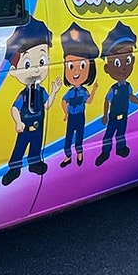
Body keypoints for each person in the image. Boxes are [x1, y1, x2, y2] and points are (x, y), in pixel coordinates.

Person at [2, 18, 61, 186]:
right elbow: (15, 108)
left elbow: (46, 105)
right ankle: (14, 168)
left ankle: (35, 163)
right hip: (25, 125)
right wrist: (18, 122)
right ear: (14, 71)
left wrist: (55, 92)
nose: (36, 68)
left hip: (38, 124)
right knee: (19, 147)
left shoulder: (41, 91)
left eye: (42, 61)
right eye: (27, 64)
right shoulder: (24, 94)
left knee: (36, 145)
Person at [96, 20, 138, 164]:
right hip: (113, 116)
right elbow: (107, 100)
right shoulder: (113, 89)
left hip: (124, 115)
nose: (123, 68)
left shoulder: (127, 86)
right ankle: (105, 152)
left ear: (132, 60)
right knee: (108, 135)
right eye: (117, 62)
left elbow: (131, 97)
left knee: (121, 134)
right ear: (107, 68)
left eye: (127, 60)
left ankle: (120, 148)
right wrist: (105, 116)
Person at [59, 23, 99, 168]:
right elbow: (63, 101)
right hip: (72, 116)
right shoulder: (70, 92)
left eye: (82, 65)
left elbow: (88, 101)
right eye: (70, 66)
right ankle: (68, 156)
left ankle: (80, 153)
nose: (75, 71)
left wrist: (94, 90)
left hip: (80, 116)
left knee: (79, 136)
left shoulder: (83, 91)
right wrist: (65, 113)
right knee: (68, 137)